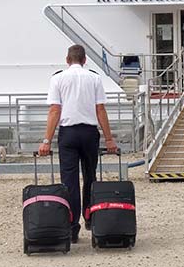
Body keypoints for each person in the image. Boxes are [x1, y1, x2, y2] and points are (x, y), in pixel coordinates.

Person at [38, 44, 117, 243]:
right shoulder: (95, 78)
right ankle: (91, 217)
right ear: (84, 60)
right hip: (90, 133)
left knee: (69, 182)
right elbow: (100, 110)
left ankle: (72, 228)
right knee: (90, 176)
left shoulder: (57, 79)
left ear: (67, 60)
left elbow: (55, 110)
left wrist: (46, 140)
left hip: (68, 134)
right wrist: (109, 139)